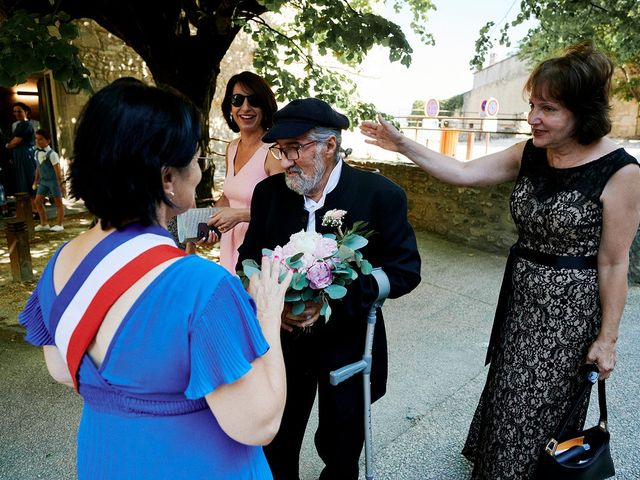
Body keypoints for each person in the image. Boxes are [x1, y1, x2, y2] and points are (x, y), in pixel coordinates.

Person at [361, 42, 640, 479]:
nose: (532, 117)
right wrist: (401, 144)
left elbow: (614, 263)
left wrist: (607, 340)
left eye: (547, 108)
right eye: (532, 105)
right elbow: (464, 173)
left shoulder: (621, 173)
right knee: (508, 394)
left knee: (539, 410)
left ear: (582, 112)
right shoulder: (528, 153)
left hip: (569, 316)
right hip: (520, 300)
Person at [18, 79, 292, 479]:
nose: (199, 172)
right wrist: (268, 314)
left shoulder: (62, 262)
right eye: (196, 159)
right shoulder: (203, 286)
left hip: (107, 459)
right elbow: (258, 424)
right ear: (168, 179)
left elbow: (63, 370)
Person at [238, 97, 422, 480]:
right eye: (280, 149)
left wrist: (336, 300)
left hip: (347, 341)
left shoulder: (380, 195)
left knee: (341, 448)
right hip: (283, 344)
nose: (285, 159)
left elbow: (406, 270)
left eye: (294, 148)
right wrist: (272, 304)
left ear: (329, 146)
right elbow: (247, 261)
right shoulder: (269, 194)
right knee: (276, 442)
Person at [208, 71, 283, 272]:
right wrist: (206, 226)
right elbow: (226, 198)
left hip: (258, 250)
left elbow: (282, 209)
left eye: (254, 101)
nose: (245, 108)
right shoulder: (231, 147)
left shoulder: (274, 151)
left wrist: (239, 215)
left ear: (265, 106)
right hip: (229, 244)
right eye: (237, 100)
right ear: (229, 106)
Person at [33, 129, 66, 232]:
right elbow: (39, 167)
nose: (38, 141)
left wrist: (60, 183)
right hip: (43, 181)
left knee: (58, 203)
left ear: (48, 141)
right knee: (37, 202)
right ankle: (44, 223)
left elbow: (57, 170)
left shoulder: (52, 154)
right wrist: (36, 180)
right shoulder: (37, 152)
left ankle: (59, 224)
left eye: (41, 139)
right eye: (36, 139)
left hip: (53, 181)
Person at [6, 102, 36, 197]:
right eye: (15, 111)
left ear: (26, 112)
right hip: (20, 155)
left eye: (19, 111)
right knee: (22, 178)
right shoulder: (20, 125)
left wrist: (7, 145)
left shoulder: (26, 125)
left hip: (25, 154)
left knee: (27, 178)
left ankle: (35, 206)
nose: (17, 113)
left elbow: (15, 142)